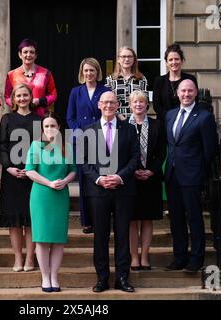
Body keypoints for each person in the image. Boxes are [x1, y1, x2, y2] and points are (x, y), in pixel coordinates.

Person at [80, 91, 139, 293]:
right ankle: (102, 278)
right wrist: (99, 178)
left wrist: (119, 177)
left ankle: (122, 278)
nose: (108, 105)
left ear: (117, 105)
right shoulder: (88, 130)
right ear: (99, 105)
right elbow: (83, 161)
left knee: (123, 235)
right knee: (100, 236)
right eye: (104, 102)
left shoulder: (129, 130)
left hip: (123, 189)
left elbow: (134, 158)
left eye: (112, 102)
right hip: (98, 191)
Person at [164, 79, 218, 274]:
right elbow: (171, 146)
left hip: (192, 176)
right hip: (172, 175)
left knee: (194, 218)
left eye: (190, 91)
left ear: (196, 93)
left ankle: (196, 259)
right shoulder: (170, 115)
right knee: (176, 219)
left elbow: (210, 150)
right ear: (177, 93)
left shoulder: (204, 117)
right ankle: (179, 257)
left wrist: (198, 172)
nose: (186, 94)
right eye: (183, 91)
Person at [25, 112, 76, 292]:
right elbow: (30, 171)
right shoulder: (36, 146)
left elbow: (73, 170)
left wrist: (65, 181)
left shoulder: (66, 147)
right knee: (42, 238)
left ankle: (54, 276)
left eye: (52, 125)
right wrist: (49, 183)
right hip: (41, 196)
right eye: (46, 126)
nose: (49, 129)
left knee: (58, 239)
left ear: (59, 127)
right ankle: (45, 277)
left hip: (60, 195)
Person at [0, 83, 41, 272]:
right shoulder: (7, 119)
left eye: (25, 95)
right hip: (12, 176)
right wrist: (9, 167)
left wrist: (32, 169)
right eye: (18, 96)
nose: (22, 98)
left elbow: (43, 147)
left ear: (31, 97)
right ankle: (18, 258)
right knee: (14, 221)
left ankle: (30, 259)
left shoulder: (39, 119)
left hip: (34, 175)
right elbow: (2, 146)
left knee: (31, 219)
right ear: (13, 99)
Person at [66, 57, 110, 234]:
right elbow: (70, 117)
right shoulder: (75, 92)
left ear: (97, 72)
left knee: (101, 179)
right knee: (85, 181)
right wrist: (80, 134)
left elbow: (108, 112)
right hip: (81, 141)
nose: (89, 73)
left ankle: (101, 219)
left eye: (92, 70)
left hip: (101, 138)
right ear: (81, 73)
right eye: (86, 70)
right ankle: (86, 220)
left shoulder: (105, 90)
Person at [127, 90, 165, 271]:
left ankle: (145, 256)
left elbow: (162, 153)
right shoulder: (123, 125)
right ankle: (134, 257)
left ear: (146, 105)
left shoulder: (157, 125)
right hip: (130, 179)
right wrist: (132, 171)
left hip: (151, 178)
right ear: (130, 105)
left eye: (142, 102)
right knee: (132, 220)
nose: (138, 105)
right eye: (135, 102)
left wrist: (151, 171)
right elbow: (121, 152)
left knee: (147, 219)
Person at [5, 38, 58, 118]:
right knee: (20, 131)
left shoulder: (45, 73)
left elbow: (53, 94)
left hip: (39, 116)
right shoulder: (12, 74)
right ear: (20, 54)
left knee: (36, 131)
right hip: (20, 115)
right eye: (25, 52)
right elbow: (7, 96)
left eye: (32, 52)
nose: (28, 55)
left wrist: (39, 101)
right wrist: (17, 104)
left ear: (36, 55)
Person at [152, 43, 197, 123]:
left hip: (186, 122)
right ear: (166, 63)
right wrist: (171, 117)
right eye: (170, 59)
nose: (174, 62)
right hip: (164, 123)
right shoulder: (159, 81)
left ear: (182, 61)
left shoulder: (190, 79)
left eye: (176, 59)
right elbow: (157, 106)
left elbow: (195, 101)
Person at [105, 46, 147, 119]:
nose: (127, 59)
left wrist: (136, 117)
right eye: (123, 56)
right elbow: (108, 102)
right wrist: (119, 116)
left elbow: (146, 101)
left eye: (130, 56)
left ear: (134, 59)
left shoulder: (141, 79)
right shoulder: (110, 80)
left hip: (137, 120)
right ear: (118, 59)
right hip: (116, 120)